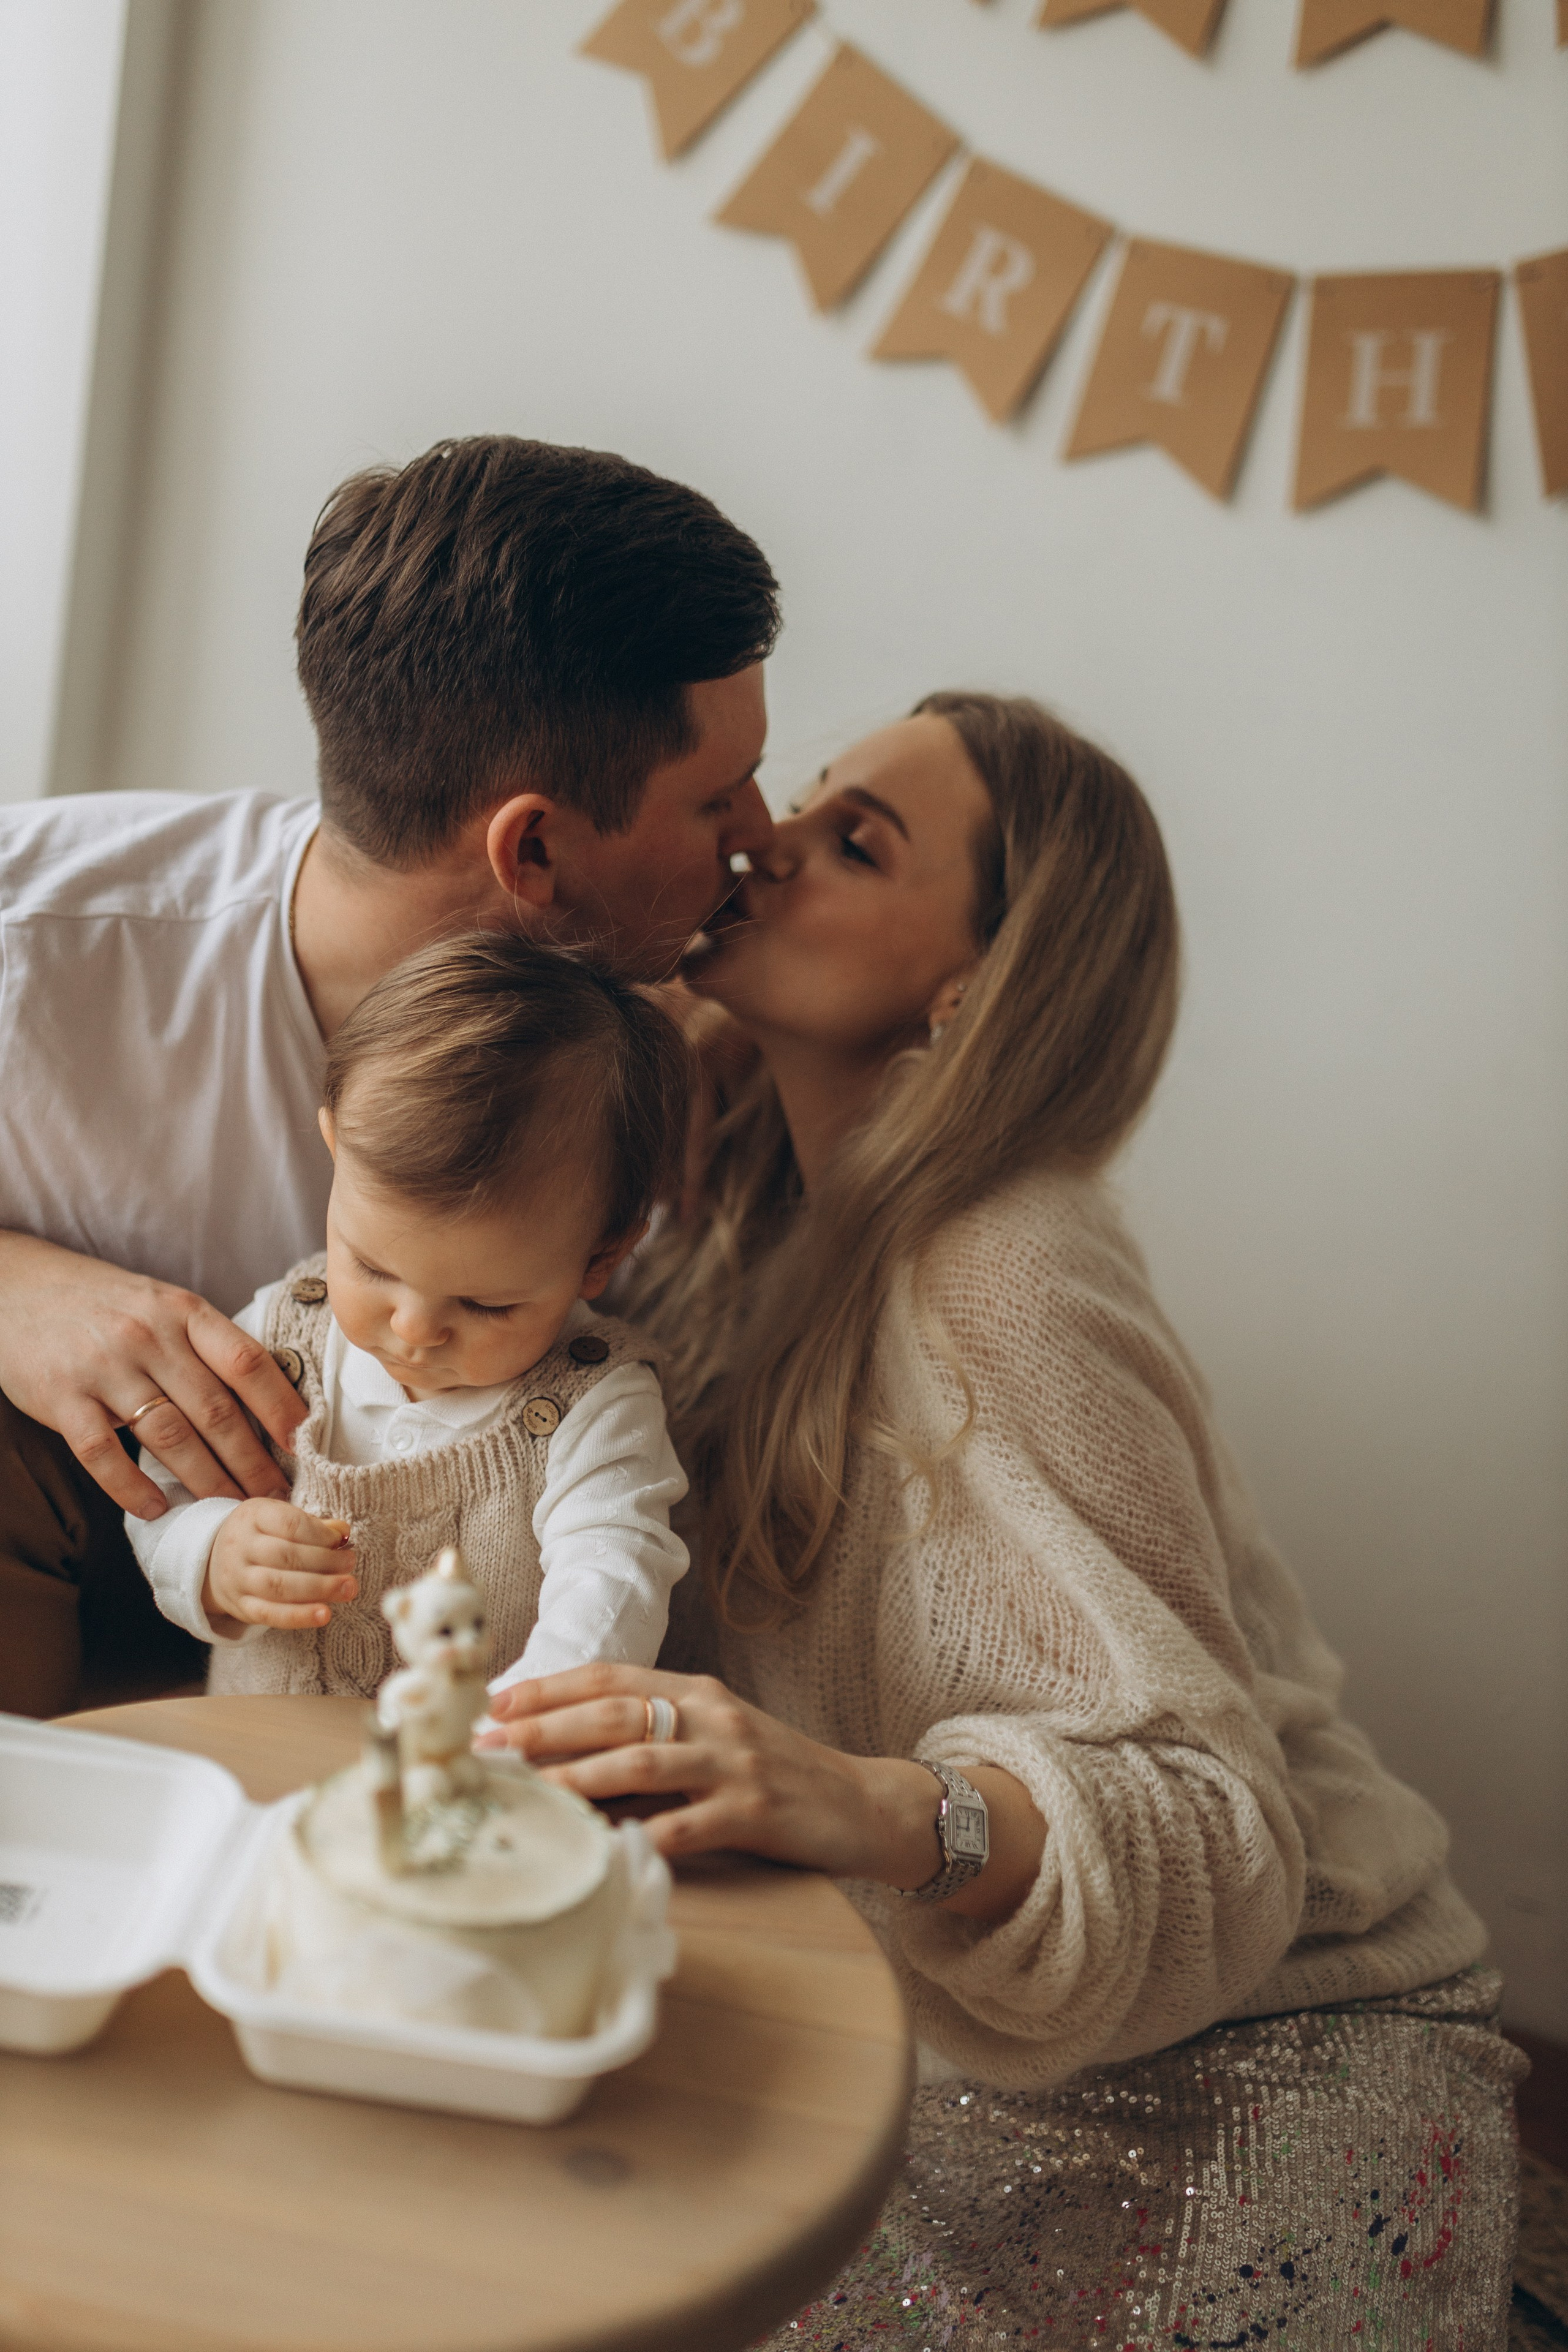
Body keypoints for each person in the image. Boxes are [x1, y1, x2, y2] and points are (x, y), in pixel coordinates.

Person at [478, 693, 1523, 2347]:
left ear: (975, 982)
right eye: (801, 800)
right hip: (949, 2057)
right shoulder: (735, 1219)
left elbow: (1207, 1810)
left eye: (853, 843)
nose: (768, 841)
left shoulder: (1003, 1261)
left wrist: (884, 1808)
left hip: (1242, 2092)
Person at [0, 434, 778, 1716]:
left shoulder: (698, 1048)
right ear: (530, 849)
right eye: (719, 800)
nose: (762, 836)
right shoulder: (46, 947)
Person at [128, 932, 691, 1698]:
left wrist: (518, 1729)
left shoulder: (595, 1405)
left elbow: (614, 1579)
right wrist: (211, 1550)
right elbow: (164, 1488)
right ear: (335, 1150)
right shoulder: (283, 1336)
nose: (414, 1329)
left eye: (487, 1303)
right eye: (373, 1268)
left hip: (467, 1784)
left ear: (602, 1256)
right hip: (261, 1763)